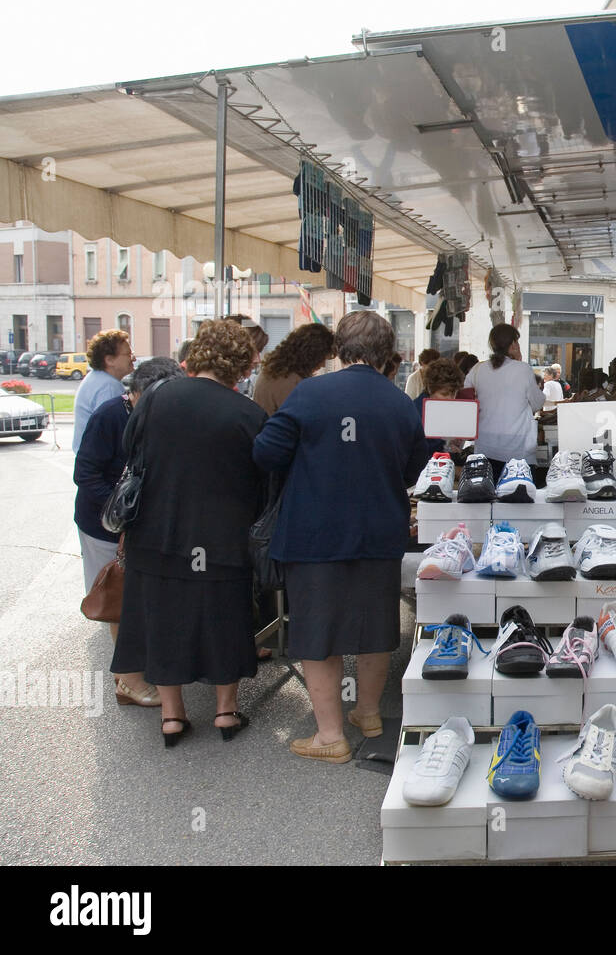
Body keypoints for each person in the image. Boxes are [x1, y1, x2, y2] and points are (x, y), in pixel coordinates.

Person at [253, 310, 429, 765]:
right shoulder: (399, 404)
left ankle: (330, 735)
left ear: (339, 347)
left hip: (316, 533)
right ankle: (368, 714)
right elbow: (413, 471)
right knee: (374, 625)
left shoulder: (311, 392)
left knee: (318, 630)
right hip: (379, 530)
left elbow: (266, 452)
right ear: (388, 353)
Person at [111, 321, 266, 746]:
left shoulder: (156, 398)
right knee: (224, 618)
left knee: (163, 619)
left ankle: (173, 716)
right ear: (239, 364)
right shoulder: (247, 413)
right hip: (221, 538)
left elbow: (131, 448)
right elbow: (262, 478)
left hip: (155, 534)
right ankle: (225, 712)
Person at [73, 357, 186, 708]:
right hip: (105, 525)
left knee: (139, 598)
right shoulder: (110, 415)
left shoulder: (159, 415)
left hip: (141, 526)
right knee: (118, 599)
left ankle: (139, 670)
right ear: (137, 392)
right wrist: (122, 510)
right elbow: (85, 472)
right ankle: (128, 681)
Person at [462, 324, 545, 481]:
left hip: (484, 447)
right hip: (518, 449)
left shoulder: (477, 369)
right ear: (513, 345)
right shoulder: (523, 369)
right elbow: (537, 403)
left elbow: (466, 401)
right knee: (518, 501)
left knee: (486, 499)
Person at [252, 323, 336, 415]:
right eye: (322, 358)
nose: (323, 365)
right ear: (311, 355)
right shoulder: (287, 381)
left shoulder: (277, 371)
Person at [72, 329, 133, 453]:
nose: (134, 358)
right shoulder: (108, 387)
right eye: (128, 354)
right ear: (109, 360)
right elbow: (114, 429)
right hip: (100, 462)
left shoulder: (98, 378)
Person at [414, 358, 466, 455]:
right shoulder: (417, 412)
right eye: (444, 394)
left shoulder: (437, 407)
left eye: (454, 394)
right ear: (430, 389)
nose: (451, 399)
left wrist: (448, 443)